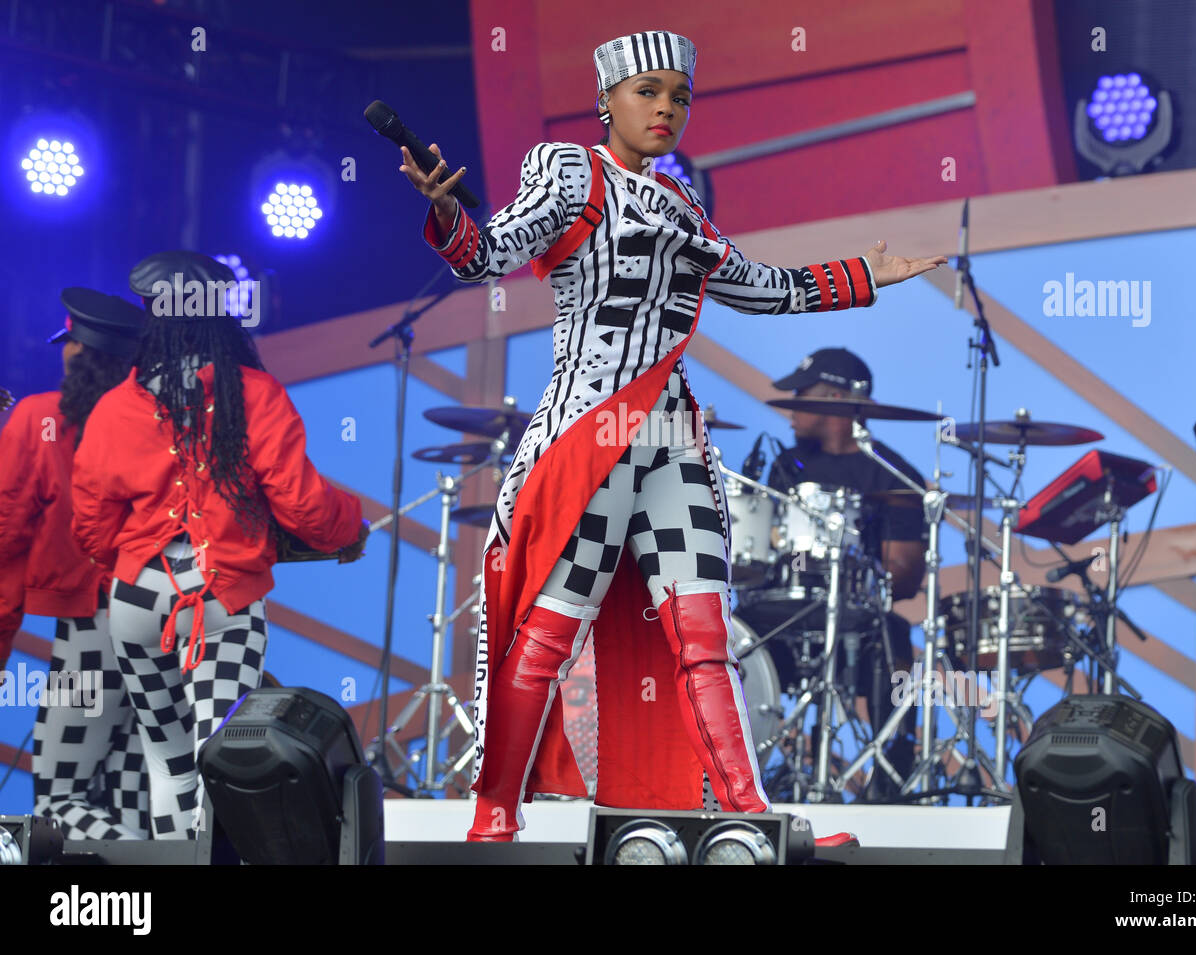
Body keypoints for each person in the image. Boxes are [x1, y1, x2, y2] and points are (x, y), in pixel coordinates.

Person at [401, 29, 947, 840]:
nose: (665, 108)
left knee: (705, 631)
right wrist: (448, 212)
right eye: (647, 91)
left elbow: (758, 288)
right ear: (606, 100)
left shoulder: (681, 203)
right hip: (591, 433)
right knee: (549, 632)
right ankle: (495, 816)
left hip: (671, 440)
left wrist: (864, 277)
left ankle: (747, 815)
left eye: (679, 96)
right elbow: (487, 256)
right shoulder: (567, 172)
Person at [71, 254, 367, 839]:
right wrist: (348, 527)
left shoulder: (116, 405)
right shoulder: (252, 392)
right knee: (220, 760)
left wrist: (127, 563)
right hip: (222, 603)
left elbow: (89, 521)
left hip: (136, 603)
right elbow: (301, 502)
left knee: (169, 762)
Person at [0, 288, 150, 838]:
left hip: (92, 631)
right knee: (133, 793)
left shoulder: (40, 418)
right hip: (170, 628)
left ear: (74, 351)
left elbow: (4, 533)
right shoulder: (163, 421)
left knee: (59, 799)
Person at [765, 347, 926, 800]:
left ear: (835, 397)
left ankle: (889, 782)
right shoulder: (784, 467)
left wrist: (865, 571)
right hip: (783, 607)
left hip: (857, 616)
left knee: (891, 635)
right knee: (726, 639)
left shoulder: (893, 476)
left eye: (801, 393)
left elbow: (907, 582)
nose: (791, 406)